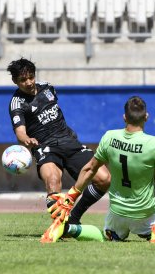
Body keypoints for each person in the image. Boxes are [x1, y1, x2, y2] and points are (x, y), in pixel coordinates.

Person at [46, 95, 155, 243]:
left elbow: (90, 169)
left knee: (108, 237)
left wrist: (71, 196)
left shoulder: (110, 137)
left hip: (118, 213)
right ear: (146, 117)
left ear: (124, 117)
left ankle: (68, 229)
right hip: (146, 212)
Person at [6, 58, 111, 233]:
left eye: (31, 77)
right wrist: (27, 140)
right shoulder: (17, 103)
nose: (29, 82)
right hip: (45, 147)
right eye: (23, 80)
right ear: (15, 81)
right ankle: (61, 226)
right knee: (53, 180)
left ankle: (74, 217)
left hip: (68, 141)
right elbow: (20, 132)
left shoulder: (48, 88)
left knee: (104, 179)